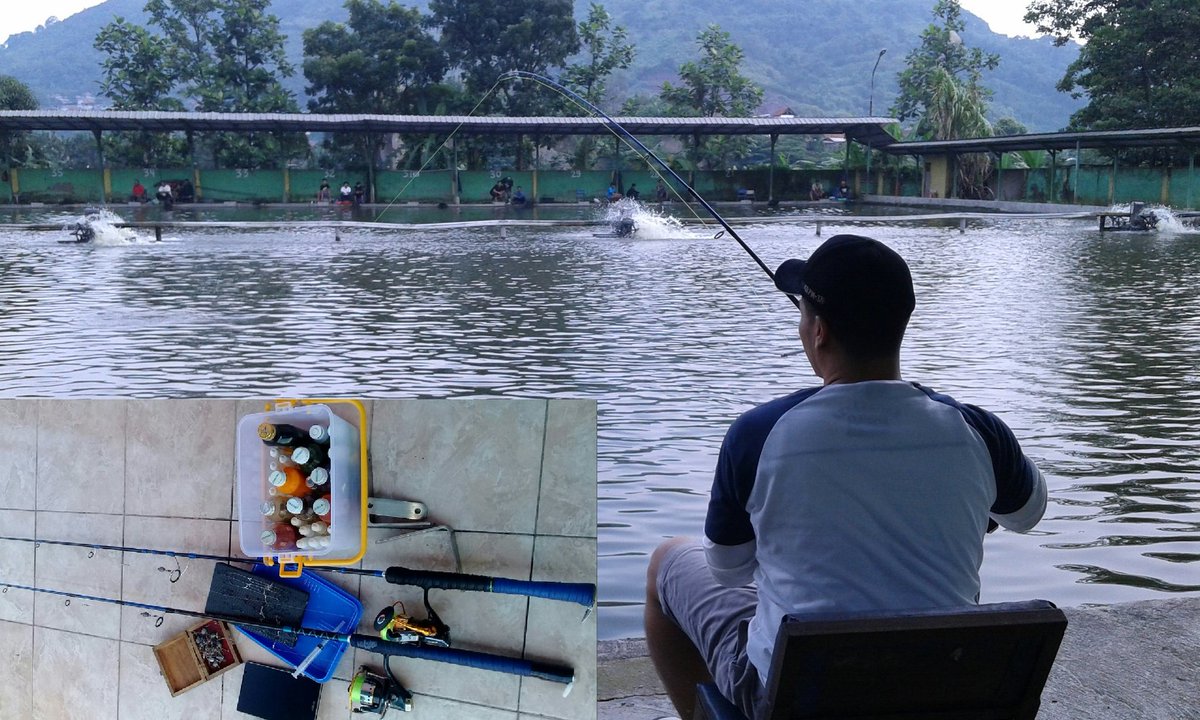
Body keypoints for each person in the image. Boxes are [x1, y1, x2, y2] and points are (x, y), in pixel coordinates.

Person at [644, 234, 1048, 720]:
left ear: (819, 333)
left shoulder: (758, 434)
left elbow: (728, 570)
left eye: (802, 313)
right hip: (943, 685)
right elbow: (1027, 513)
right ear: (900, 324)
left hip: (796, 696)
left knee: (665, 562)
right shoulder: (978, 430)